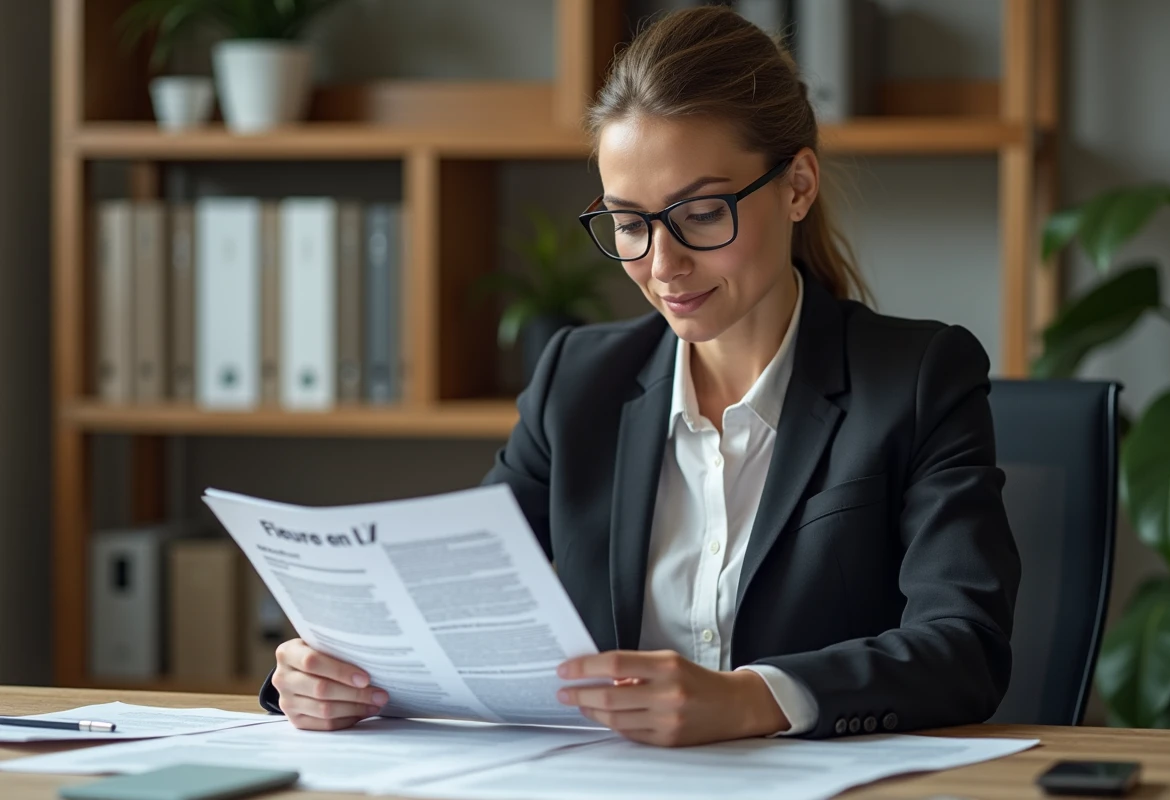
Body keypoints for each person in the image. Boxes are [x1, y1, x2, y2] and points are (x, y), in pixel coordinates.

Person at [258, 5, 1020, 747]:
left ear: (797, 186)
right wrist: (324, 672)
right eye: (629, 223)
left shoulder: (918, 378)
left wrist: (749, 700)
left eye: (701, 213)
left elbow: (964, 645)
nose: (662, 265)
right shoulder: (579, 382)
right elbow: (448, 597)